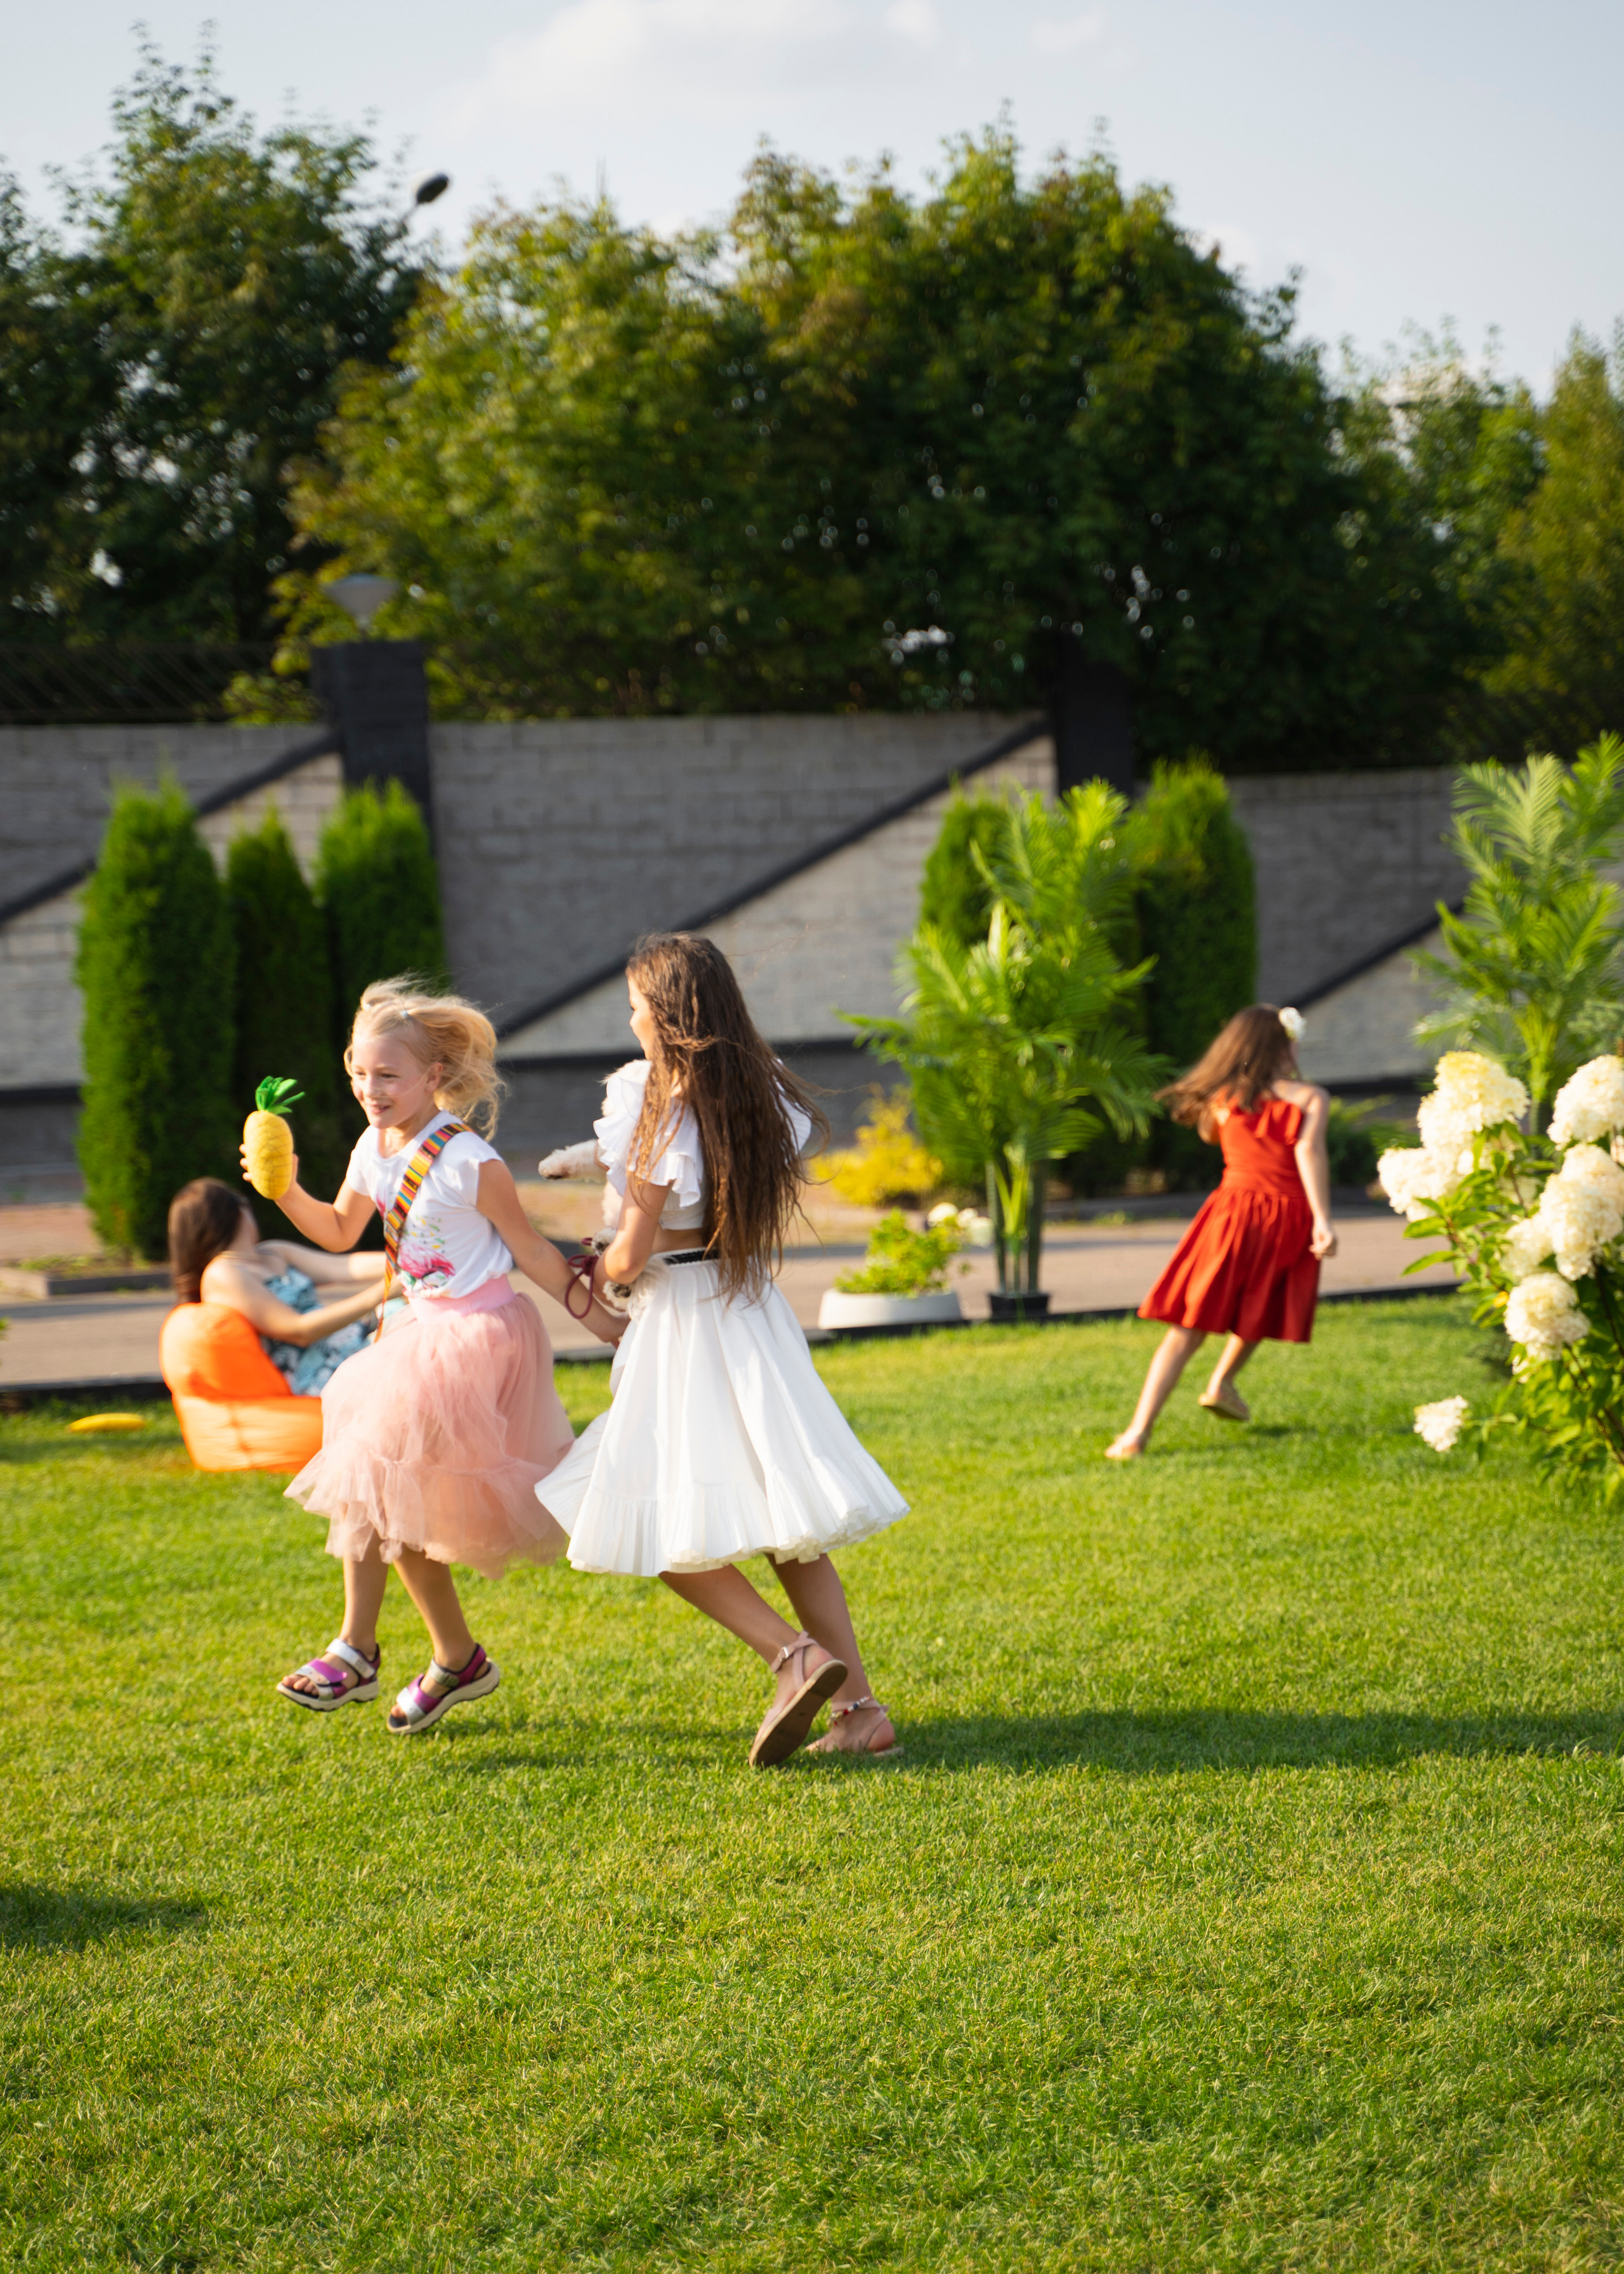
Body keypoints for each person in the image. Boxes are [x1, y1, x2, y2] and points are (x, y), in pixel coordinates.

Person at [535, 932, 907, 1768]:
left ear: (664, 1016)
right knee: (790, 1528)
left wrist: (597, 1261)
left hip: (683, 1325)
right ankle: (861, 1710)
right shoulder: (757, 1094)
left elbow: (631, 1255)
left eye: (634, 1005)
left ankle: (793, 1657)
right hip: (746, 1314)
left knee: (642, 1510)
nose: (628, 1020)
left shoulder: (655, 1107)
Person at [266, 977, 625, 1730]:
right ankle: (453, 1658)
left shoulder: (468, 1160)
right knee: (384, 1490)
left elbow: (530, 1250)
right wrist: (285, 1189)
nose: (371, 1089)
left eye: (388, 1075)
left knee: (379, 1476)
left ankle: (360, 1650)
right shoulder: (373, 1145)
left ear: (433, 1076)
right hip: (412, 1335)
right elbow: (337, 1231)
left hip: (476, 1339)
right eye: (359, 1073)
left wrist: (606, 1324)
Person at [1104, 1004, 1337, 1460]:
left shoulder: (1222, 1100)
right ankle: (1222, 1381)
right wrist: (1323, 1219)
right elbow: (1310, 1154)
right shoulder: (1309, 1098)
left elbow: (1213, 1138)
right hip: (1286, 1215)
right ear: (1278, 1046)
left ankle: (1136, 1434)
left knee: (1187, 1327)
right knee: (1261, 1307)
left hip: (1230, 1215)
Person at [167, 1178, 386, 1395]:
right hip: (323, 1373)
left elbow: (346, 1267)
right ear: (237, 1213)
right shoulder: (223, 1274)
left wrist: (404, 1262)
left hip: (353, 1346)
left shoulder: (273, 1252)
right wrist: (381, 1292)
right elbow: (299, 1330)